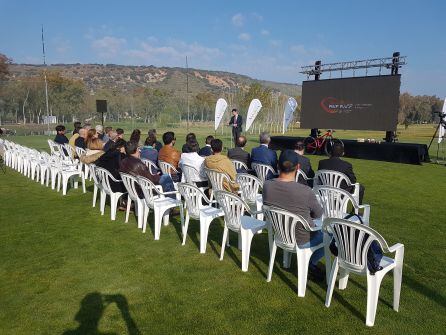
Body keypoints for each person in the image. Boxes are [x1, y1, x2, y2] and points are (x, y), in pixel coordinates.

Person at [263, 150, 324, 281]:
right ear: (298, 167)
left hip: (280, 234)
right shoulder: (305, 191)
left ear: (278, 166)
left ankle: (309, 263)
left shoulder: (267, 185)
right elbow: (318, 214)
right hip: (302, 239)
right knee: (330, 235)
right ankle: (311, 264)